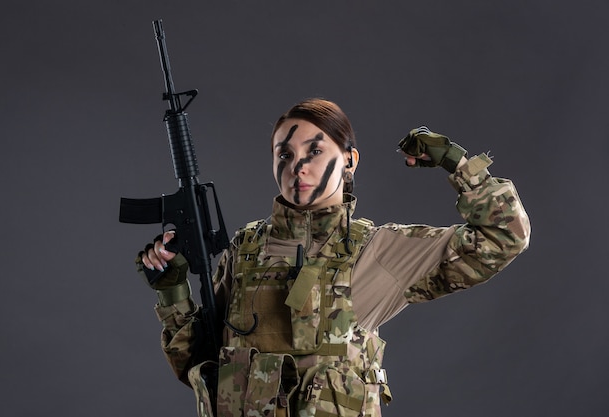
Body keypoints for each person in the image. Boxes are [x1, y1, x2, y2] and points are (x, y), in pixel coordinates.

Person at [136, 98, 530, 417]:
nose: (299, 167)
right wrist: (173, 293)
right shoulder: (246, 249)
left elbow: (504, 236)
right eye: (284, 154)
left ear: (349, 160)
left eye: (315, 150)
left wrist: (457, 163)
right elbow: (200, 365)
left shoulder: (380, 249)